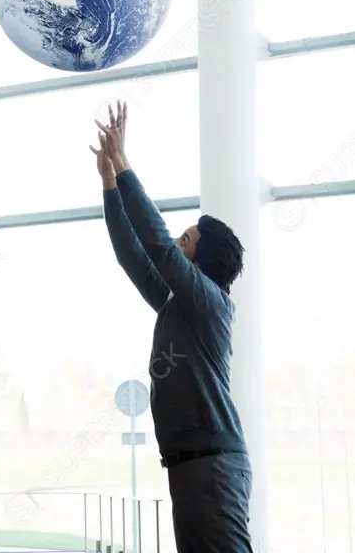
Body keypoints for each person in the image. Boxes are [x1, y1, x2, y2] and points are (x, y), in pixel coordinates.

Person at [90, 100, 253, 553]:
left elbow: (157, 246)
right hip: (188, 467)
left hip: (213, 469)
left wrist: (123, 164)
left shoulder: (211, 303)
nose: (178, 246)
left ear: (203, 261)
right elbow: (133, 255)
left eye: (187, 242)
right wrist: (108, 184)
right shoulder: (175, 303)